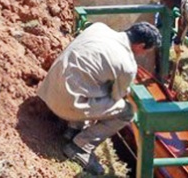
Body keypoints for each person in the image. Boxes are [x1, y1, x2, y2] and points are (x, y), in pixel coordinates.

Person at [38, 22, 161, 175]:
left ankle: (73, 129)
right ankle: (80, 147)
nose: (144, 54)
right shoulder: (128, 65)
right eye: (146, 51)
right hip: (65, 105)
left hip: (48, 91)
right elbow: (117, 97)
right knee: (126, 112)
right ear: (141, 46)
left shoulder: (98, 27)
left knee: (89, 80)